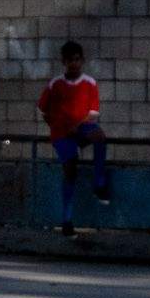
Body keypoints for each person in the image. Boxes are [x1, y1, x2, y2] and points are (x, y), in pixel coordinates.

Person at [36, 41, 110, 236]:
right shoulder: (56, 84)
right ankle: (67, 220)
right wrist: (57, 126)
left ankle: (99, 183)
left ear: (82, 61)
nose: (74, 64)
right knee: (71, 169)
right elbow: (42, 110)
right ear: (64, 62)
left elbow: (93, 113)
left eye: (77, 60)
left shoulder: (89, 83)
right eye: (70, 61)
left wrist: (77, 127)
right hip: (62, 132)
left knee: (99, 136)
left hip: (82, 126)